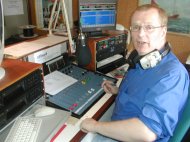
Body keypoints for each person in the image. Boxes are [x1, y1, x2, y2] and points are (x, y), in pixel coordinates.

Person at [80, 4, 189, 142]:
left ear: (163, 31)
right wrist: (119, 91)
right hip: (120, 123)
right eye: (136, 27)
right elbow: (143, 92)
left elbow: (146, 132)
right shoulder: (141, 59)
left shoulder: (172, 74)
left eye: (149, 27)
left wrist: (95, 126)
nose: (140, 34)